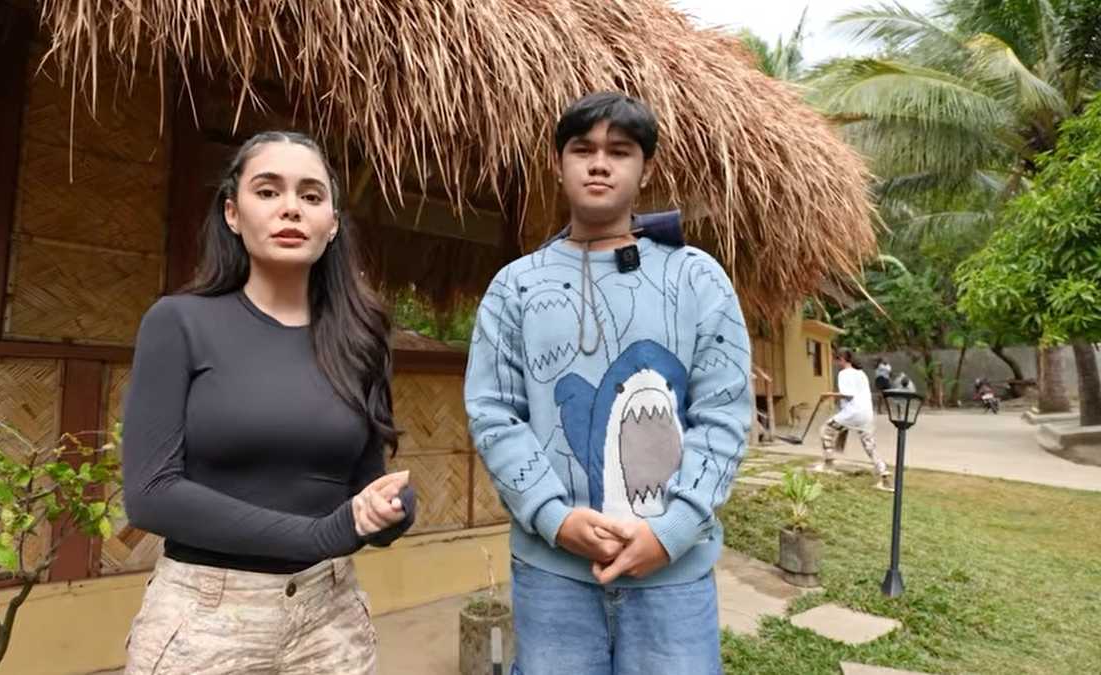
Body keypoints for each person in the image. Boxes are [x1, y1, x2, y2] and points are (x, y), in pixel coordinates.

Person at [465, 92, 751, 675]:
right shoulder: (515, 287)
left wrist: (671, 530)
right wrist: (556, 519)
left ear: (645, 169)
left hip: (674, 576)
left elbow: (724, 413)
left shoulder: (697, 279)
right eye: (583, 149)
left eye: (619, 151)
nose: (599, 164)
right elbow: (494, 413)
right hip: (552, 576)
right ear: (559, 164)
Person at [121, 131, 416, 674]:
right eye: (267, 191)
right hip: (206, 621)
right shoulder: (178, 323)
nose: (291, 208)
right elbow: (150, 495)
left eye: (311, 195)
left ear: (332, 224)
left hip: (331, 621)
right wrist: (319, 535)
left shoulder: (361, 339)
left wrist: (390, 511)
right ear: (232, 214)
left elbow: (364, 483)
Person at [816, 348, 893, 491]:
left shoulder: (844, 373)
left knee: (825, 430)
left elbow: (848, 394)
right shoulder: (861, 373)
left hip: (853, 412)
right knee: (869, 445)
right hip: (866, 413)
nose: (836, 363)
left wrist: (828, 395)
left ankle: (828, 464)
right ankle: (884, 476)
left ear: (842, 359)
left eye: (836, 360)